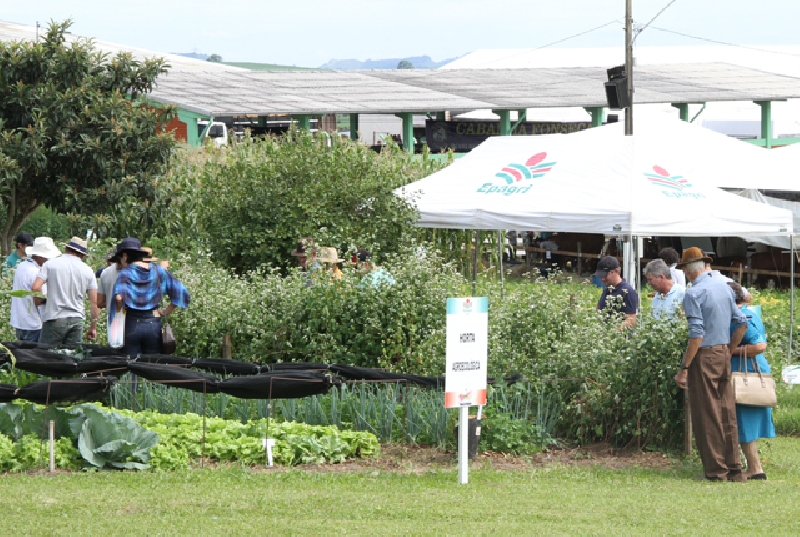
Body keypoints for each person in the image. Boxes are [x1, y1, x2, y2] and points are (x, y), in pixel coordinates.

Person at [673, 247, 748, 482]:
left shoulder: (694, 293)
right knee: (727, 412)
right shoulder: (724, 287)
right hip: (723, 353)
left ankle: (716, 471)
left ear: (688, 271)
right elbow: (742, 322)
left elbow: (696, 333)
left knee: (707, 414)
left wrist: (685, 367)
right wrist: (729, 349)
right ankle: (735, 468)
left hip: (704, 356)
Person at [727, 281, 775, 480]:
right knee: (743, 420)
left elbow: (760, 345)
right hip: (748, 372)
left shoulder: (743, 316)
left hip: (746, 374)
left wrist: (728, 351)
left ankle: (755, 468)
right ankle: (752, 467)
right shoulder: (748, 311)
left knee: (744, 420)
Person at [113, 239, 190, 356]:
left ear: (125, 256)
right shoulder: (158, 270)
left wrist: (119, 310)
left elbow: (119, 298)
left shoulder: (125, 273)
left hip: (131, 322)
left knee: (130, 365)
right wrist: (166, 311)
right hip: (153, 322)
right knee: (152, 365)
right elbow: (181, 292)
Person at [32, 237, 100, 345]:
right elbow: (95, 302)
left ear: (66, 248)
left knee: (46, 356)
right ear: (82, 255)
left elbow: (36, 287)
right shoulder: (88, 271)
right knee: (71, 358)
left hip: (55, 318)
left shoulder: (50, 265)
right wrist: (93, 327)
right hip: (77, 320)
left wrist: (39, 301)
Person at [10, 237, 61, 342]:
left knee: (23, 354)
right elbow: (38, 300)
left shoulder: (21, 266)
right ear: (41, 256)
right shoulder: (36, 272)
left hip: (20, 321)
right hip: (33, 323)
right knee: (34, 355)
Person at [594, 256, 638, 329]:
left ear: (616, 271)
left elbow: (631, 319)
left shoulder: (627, 291)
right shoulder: (607, 289)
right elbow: (599, 308)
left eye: (605, 275)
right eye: (600, 276)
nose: (603, 279)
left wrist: (614, 333)